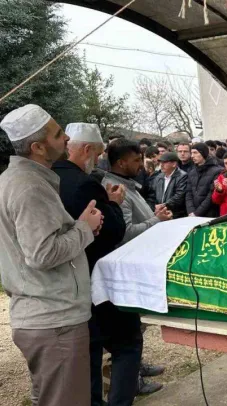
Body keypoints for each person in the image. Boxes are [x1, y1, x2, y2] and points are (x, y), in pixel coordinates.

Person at [0, 105, 103, 406]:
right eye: (58, 134)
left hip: (44, 316)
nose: (67, 138)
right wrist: (84, 228)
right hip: (54, 319)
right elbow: (43, 254)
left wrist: (79, 226)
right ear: (38, 147)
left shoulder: (17, 180)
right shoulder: (29, 187)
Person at [52, 123, 140, 406]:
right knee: (127, 343)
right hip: (95, 277)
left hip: (62, 283)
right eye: (99, 154)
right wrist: (113, 203)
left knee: (87, 354)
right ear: (87, 149)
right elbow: (111, 231)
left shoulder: (48, 177)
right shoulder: (86, 184)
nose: (100, 160)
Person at [102, 139, 172, 395]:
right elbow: (125, 232)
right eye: (135, 160)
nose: (141, 164)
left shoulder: (127, 184)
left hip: (135, 263)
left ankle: (137, 367)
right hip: (126, 266)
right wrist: (156, 220)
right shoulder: (115, 189)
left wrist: (153, 214)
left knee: (134, 327)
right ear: (121, 163)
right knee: (126, 333)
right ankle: (131, 381)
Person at [185, 143, 223, 218]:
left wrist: (197, 213)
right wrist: (191, 211)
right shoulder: (192, 172)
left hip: (210, 214)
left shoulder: (217, 171)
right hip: (192, 215)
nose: (192, 156)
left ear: (203, 153)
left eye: (195, 153)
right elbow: (188, 193)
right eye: (191, 153)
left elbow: (211, 195)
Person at [149, 152, 188, 219]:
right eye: (161, 162)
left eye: (164, 162)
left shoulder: (182, 176)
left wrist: (163, 205)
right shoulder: (158, 177)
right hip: (159, 214)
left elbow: (179, 196)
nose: (161, 165)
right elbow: (152, 196)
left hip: (176, 215)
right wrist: (153, 207)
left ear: (174, 164)